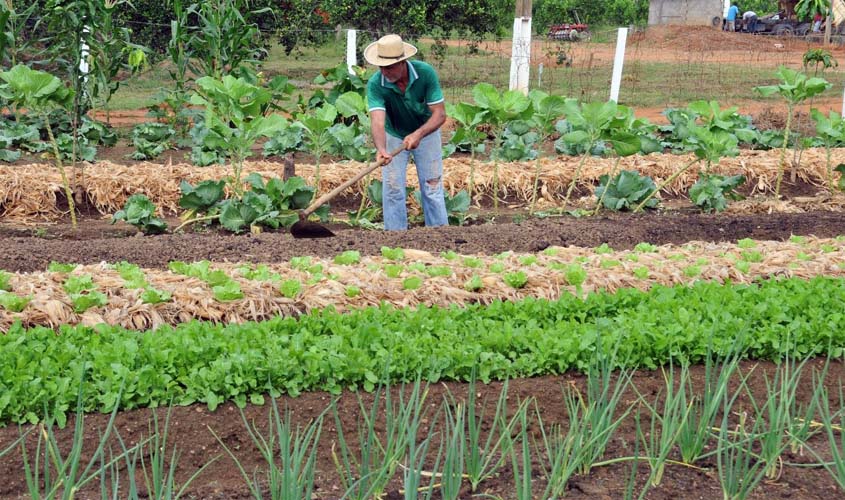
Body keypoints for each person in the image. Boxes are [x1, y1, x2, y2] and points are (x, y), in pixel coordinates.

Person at [364, 34, 448, 231]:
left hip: (426, 132)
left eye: (390, 67)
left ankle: (440, 235)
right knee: (393, 189)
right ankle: (395, 238)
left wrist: (418, 134)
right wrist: (382, 149)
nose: (384, 72)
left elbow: (440, 115)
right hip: (394, 134)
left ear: (403, 62)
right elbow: (377, 119)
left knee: (432, 186)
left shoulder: (425, 73)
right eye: (381, 67)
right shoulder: (376, 84)